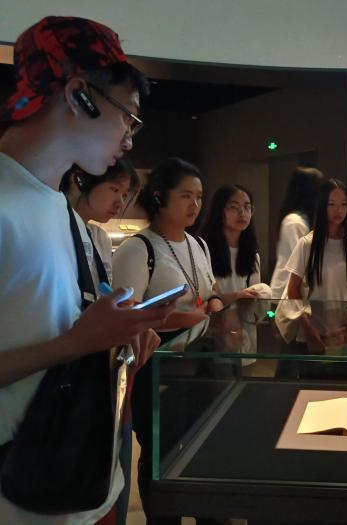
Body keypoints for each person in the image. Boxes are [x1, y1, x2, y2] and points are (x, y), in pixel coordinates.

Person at [0, 16, 170, 525]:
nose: (129, 139)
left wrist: (118, 335)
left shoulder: (59, 208)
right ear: (80, 96)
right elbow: (68, 340)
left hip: (79, 486)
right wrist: (78, 342)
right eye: (128, 117)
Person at [112, 157, 227, 525]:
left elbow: (209, 291)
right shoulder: (138, 249)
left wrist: (214, 304)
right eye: (186, 196)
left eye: (199, 197)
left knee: (204, 449)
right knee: (160, 455)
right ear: (160, 196)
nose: (195, 205)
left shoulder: (198, 244)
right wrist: (189, 317)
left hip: (200, 363)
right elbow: (126, 317)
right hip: (157, 367)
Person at [283, 178, 347, 379]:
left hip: (346, 331)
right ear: (322, 206)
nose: (338, 210)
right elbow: (293, 289)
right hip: (313, 331)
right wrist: (308, 328)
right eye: (331, 204)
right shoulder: (307, 244)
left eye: (343, 204)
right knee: (313, 389)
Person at [59, 159, 140, 285]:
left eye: (124, 195)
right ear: (80, 180)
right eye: (114, 189)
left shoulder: (101, 238)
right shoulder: (52, 228)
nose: (120, 202)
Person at [269, 166, 323, 299]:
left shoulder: (303, 221)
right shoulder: (294, 222)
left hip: (293, 293)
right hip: (285, 294)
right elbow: (302, 263)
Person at [200, 184, 261, 300]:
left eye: (247, 207)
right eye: (234, 207)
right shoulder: (202, 250)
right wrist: (235, 297)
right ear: (219, 210)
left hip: (241, 312)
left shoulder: (252, 255)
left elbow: (254, 297)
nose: (242, 213)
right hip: (211, 311)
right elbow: (201, 298)